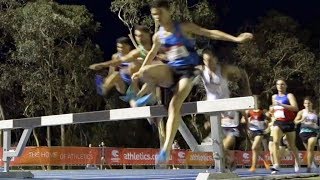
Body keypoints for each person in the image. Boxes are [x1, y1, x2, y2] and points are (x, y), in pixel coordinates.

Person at [131, 0, 253, 165]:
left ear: (168, 11)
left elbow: (210, 33)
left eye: (160, 13)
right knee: (145, 71)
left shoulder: (183, 27)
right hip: (171, 71)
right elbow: (152, 52)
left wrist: (236, 39)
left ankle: (166, 148)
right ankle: (150, 95)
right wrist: (140, 71)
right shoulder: (158, 35)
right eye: (154, 15)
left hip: (188, 72)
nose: (157, 17)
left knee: (175, 105)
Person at [199, 48, 252, 170]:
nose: (209, 64)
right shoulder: (201, 70)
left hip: (228, 111)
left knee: (226, 142)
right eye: (206, 61)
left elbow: (243, 73)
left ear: (215, 60)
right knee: (214, 147)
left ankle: (228, 160)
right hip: (212, 110)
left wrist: (247, 93)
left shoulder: (223, 69)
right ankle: (229, 160)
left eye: (211, 60)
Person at [270, 79, 299, 174]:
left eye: (282, 84)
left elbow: (295, 108)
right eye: (278, 84)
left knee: (292, 146)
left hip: (289, 123)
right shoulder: (274, 96)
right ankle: (276, 165)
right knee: (275, 142)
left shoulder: (289, 95)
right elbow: (274, 109)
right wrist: (271, 111)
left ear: (286, 86)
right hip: (278, 122)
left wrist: (282, 105)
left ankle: (297, 162)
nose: (280, 86)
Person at [244, 97, 270, 172]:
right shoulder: (249, 111)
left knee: (254, 148)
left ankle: (253, 166)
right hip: (251, 132)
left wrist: (267, 126)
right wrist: (247, 121)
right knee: (257, 150)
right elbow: (243, 120)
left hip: (259, 132)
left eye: (257, 102)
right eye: (254, 102)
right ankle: (266, 161)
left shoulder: (263, 111)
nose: (256, 103)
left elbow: (269, 119)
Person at [294, 97, 319, 173]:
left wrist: (316, 126)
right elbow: (295, 122)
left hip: (313, 132)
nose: (307, 105)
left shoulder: (315, 112)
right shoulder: (301, 112)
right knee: (308, 150)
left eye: (309, 103)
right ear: (303, 104)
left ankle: (309, 167)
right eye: (305, 103)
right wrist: (302, 120)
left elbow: (318, 123)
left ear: (312, 103)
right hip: (303, 133)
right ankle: (313, 162)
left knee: (310, 148)